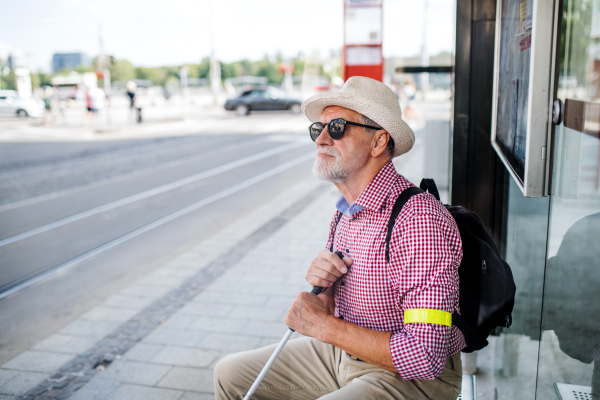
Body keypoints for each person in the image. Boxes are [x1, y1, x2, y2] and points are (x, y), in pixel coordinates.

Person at [214, 76, 465, 400]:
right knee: (230, 375)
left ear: (378, 142)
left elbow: (425, 356)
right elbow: (332, 314)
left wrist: (324, 327)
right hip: (346, 355)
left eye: (336, 128)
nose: (321, 139)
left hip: (410, 377)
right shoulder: (346, 211)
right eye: (317, 130)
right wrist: (324, 295)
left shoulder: (418, 221)